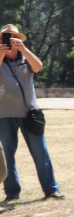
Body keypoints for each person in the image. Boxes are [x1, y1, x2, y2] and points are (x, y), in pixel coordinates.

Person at [0, 25, 63, 203]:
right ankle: (12, 192)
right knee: (7, 155)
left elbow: (38, 67)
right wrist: (1, 53)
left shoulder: (26, 58)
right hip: (3, 115)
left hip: (29, 114)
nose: (8, 42)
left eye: (12, 38)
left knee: (40, 152)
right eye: (5, 38)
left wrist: (23, 49)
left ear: (18, 39)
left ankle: (51, 189)